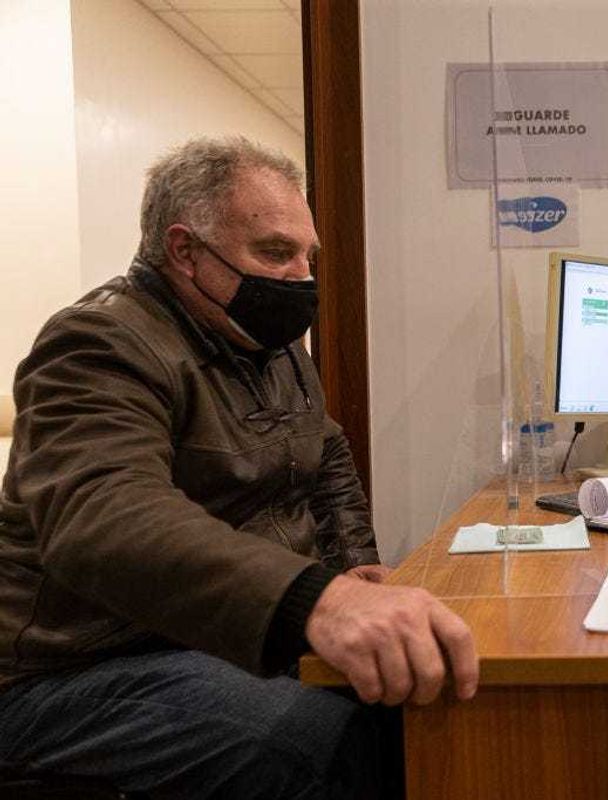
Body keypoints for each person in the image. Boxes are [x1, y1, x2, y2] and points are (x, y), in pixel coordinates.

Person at [0, 137, 479, 798]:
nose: (301, 278)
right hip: (78, 665)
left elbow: (326, 452)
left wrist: (350, 569)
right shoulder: (98, 341)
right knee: (315, 742)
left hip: (210, 636)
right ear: (185, 250)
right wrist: (320, 601)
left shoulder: (266, 341)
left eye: (308, 256)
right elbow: (104, 513)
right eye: (275, 253)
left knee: (414, 701)